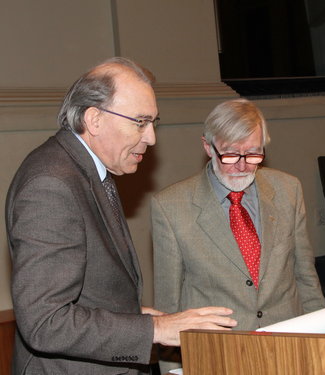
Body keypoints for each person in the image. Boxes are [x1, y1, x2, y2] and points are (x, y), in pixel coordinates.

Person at [5, 57, 236, 374]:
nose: (151, 137)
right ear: (94, 119)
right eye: (140, 122)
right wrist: (157, 330)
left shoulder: (84, 169)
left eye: (154, 122)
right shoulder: (51, 185)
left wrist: (134, 316)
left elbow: (84, 290)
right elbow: (46, 321)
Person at [151, 98, 325, 371]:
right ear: (208, 147)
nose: (242, 166)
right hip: (217, 356)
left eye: (254, 154)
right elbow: (169, 306)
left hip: (287, 350)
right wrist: (171, 369)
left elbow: (306, 277)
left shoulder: (288, 190)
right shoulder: (171, 207)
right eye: (231, 155)